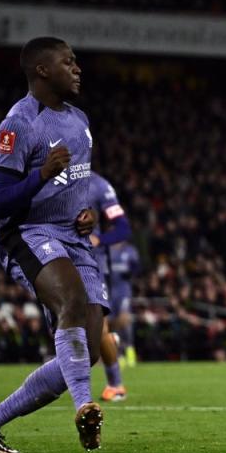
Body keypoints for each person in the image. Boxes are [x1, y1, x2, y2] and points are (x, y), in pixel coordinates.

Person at [0, 37, 108, 453]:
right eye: (69, 62)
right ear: (43, 70)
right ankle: (85, 407)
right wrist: (40, 175)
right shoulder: (19, 123)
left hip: (74, 237)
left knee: (87, 353)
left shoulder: (79, 119)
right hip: (28, 233)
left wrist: (87, 213)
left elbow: (74, 185)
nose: (77, 68)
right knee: (72, 303)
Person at [88, 171, 133, 401]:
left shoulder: (98, 185)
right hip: (59, 260)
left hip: (93, 264)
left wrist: (100, 239)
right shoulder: (52, 180)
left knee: (100, 329)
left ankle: (116, 385)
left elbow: (123, 227)